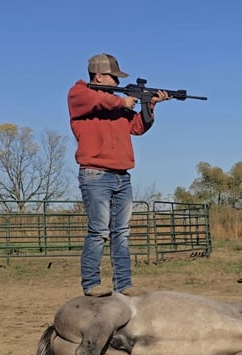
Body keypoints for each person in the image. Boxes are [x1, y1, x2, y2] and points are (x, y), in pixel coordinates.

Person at [67, 53, 170, 297]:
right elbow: (97, 100)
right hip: (95, 174)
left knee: (121, 233)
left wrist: (150, 104)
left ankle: (123, 285)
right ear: (99, 76)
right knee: (99, 231)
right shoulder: (80, 93)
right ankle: (92, 285)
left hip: (122, 176)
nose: (117, 83)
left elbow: (137, 127)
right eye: (114, 78)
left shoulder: (116, 102)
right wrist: (124, 102)